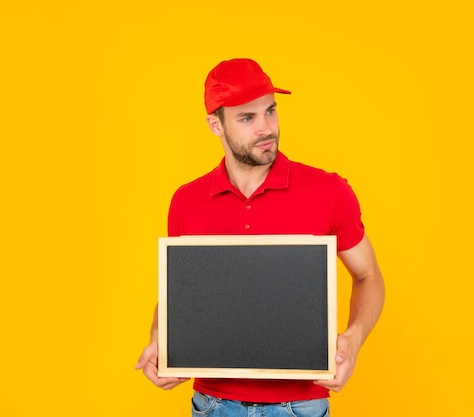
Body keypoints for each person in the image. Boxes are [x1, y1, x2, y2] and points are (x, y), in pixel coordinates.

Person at [135, 58, 385, 417]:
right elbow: (177, 294)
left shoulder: (328, 190)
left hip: (301, 406)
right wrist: (161, 340)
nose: (266, 128)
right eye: (247, 118)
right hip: (212, 406)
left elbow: (369, 276)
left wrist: (354, 338)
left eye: (270, 111)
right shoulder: (186, 201)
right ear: (214, 125)